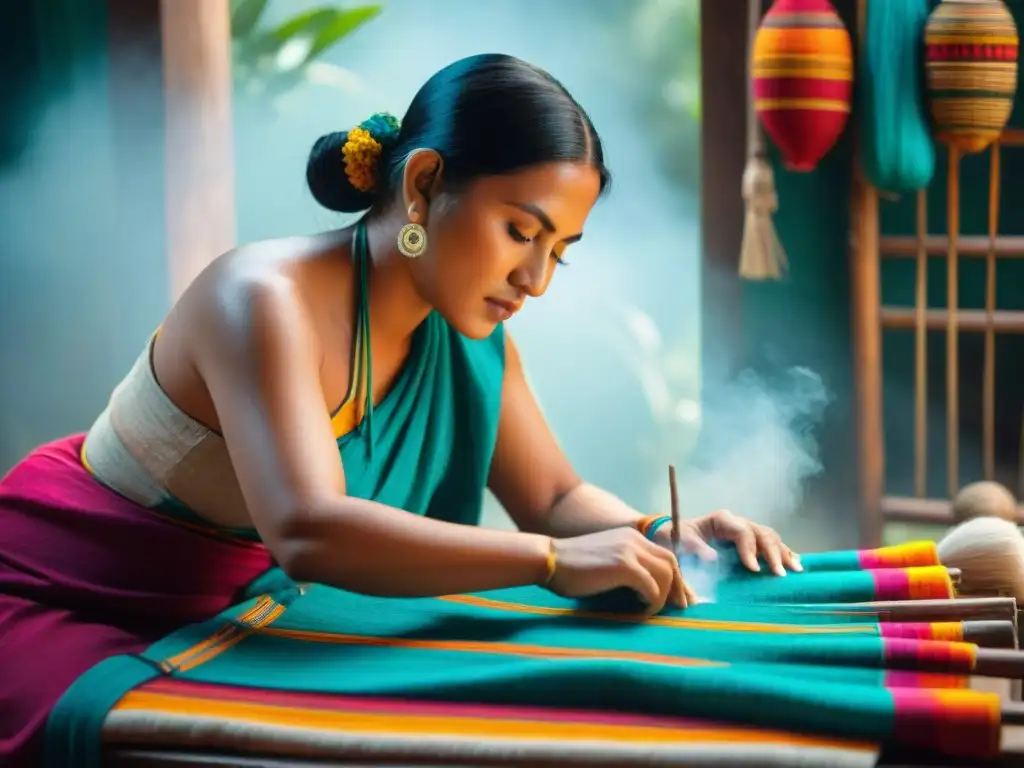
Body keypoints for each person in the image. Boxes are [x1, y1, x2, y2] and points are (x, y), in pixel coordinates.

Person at [0, 53, 800, 765]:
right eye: (522, 230)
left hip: (253, 620)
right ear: (422, 185)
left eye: (558, 250)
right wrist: (553, 562)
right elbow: (308, 528)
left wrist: (661, 533)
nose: (537, 279)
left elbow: (553, 497)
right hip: (71, 602)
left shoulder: (468, 337)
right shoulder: (258, 300)